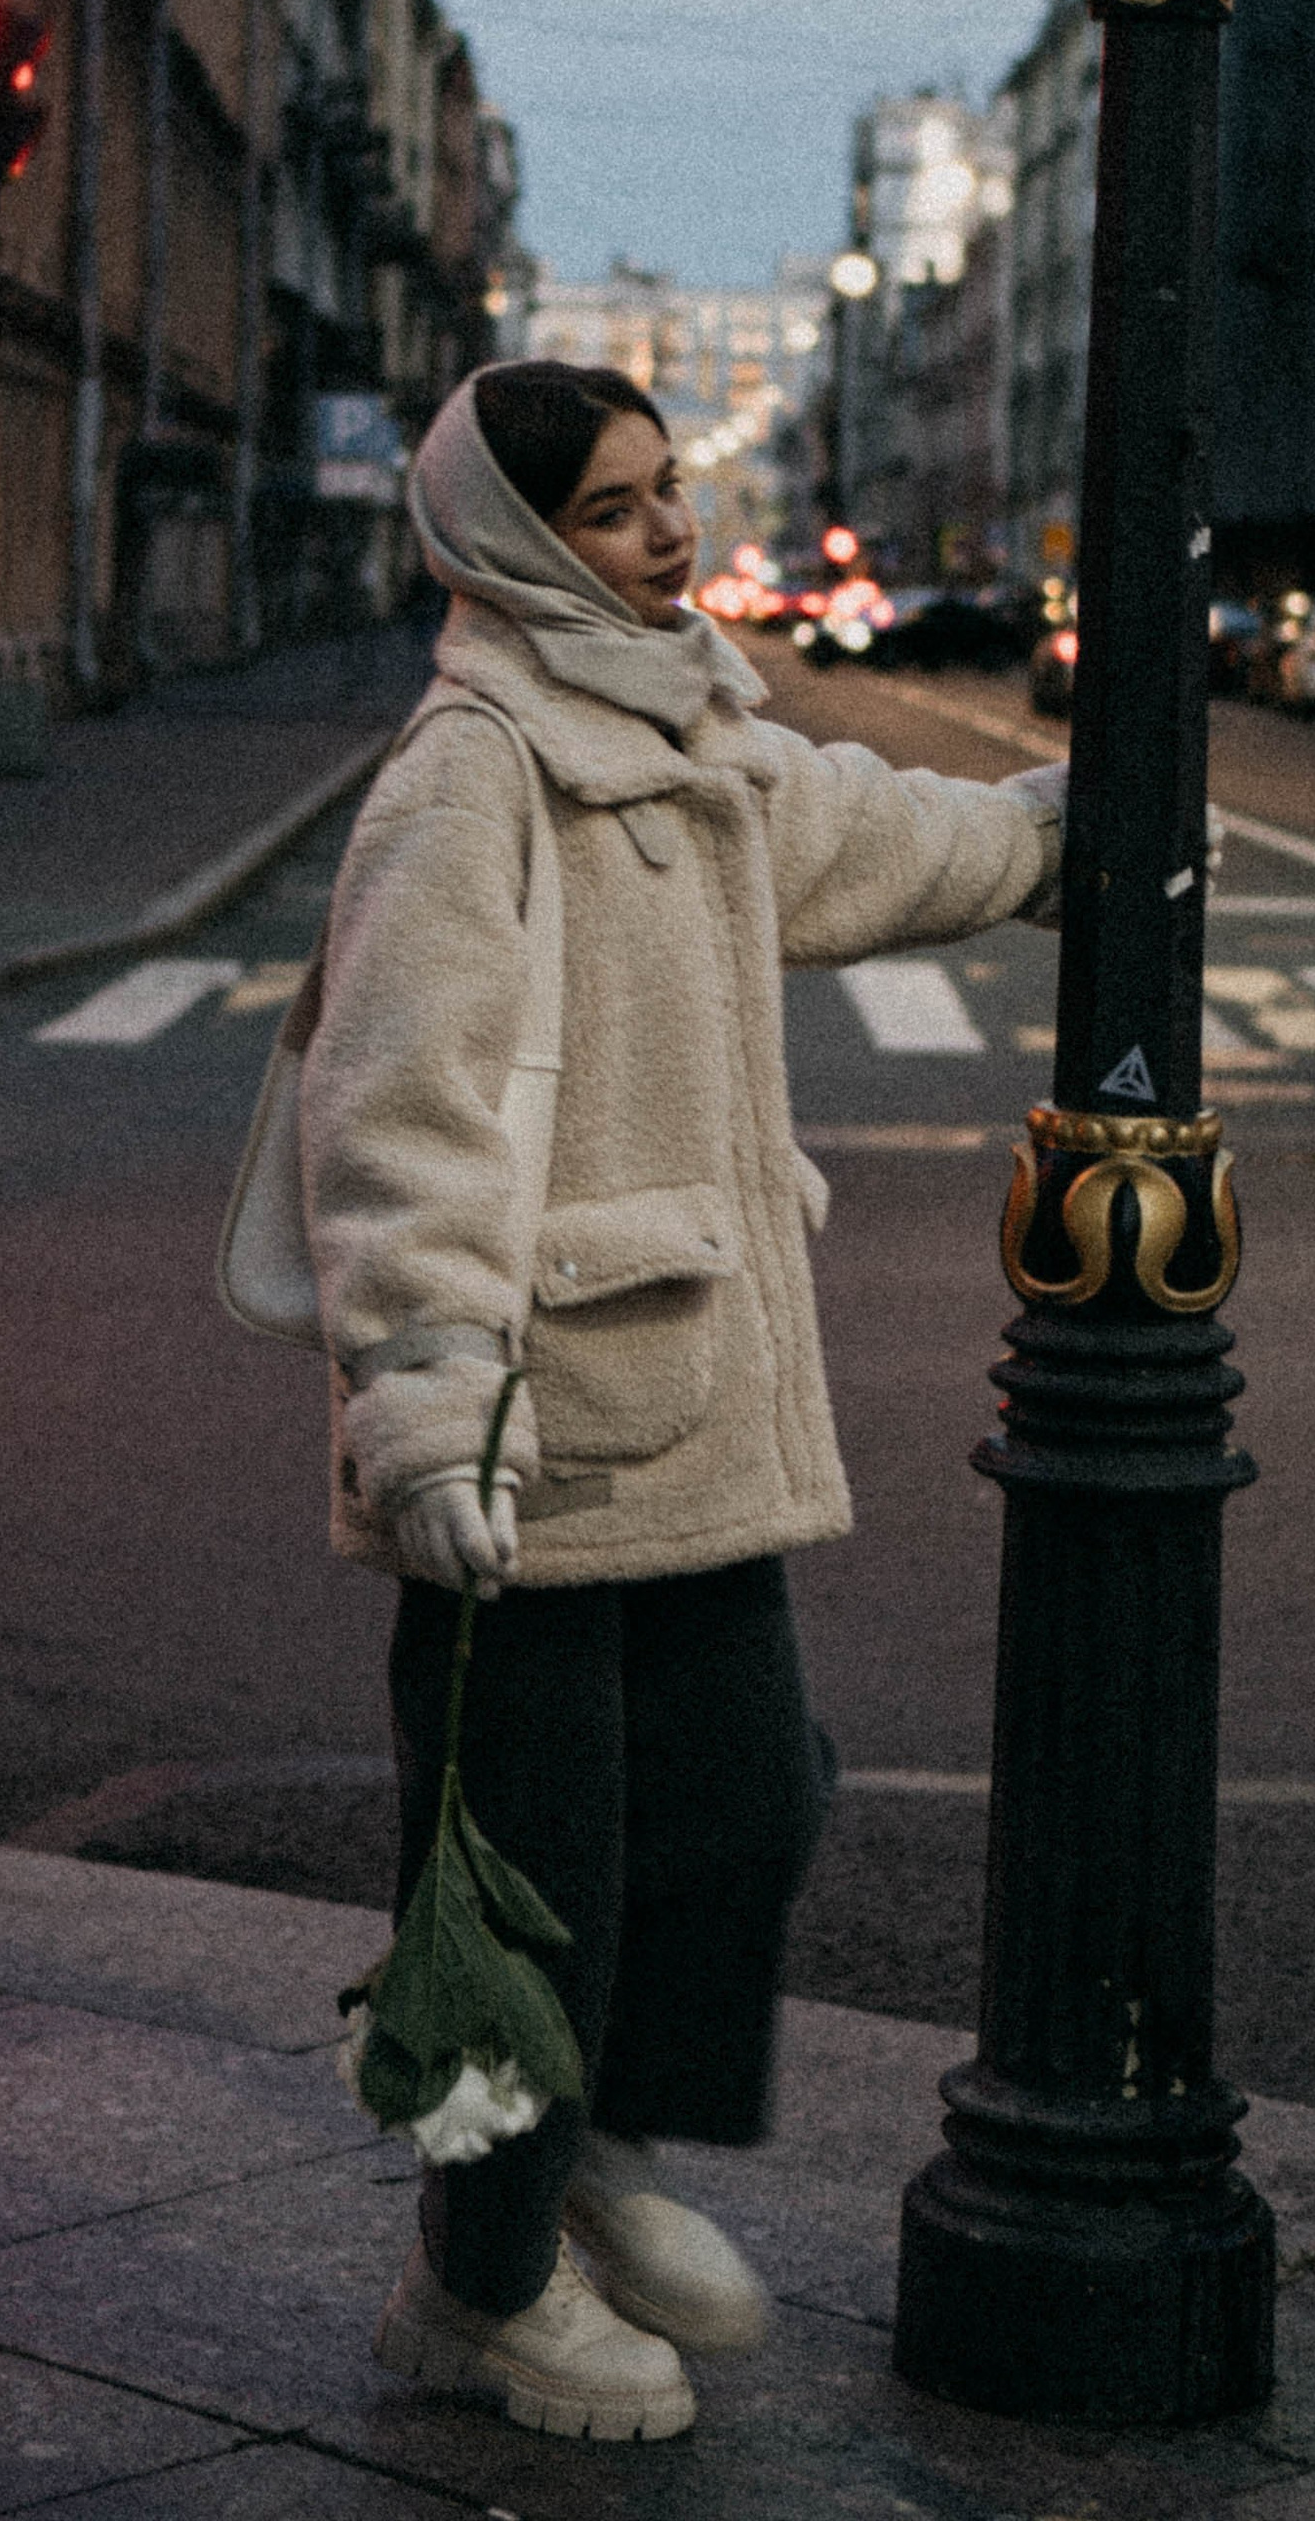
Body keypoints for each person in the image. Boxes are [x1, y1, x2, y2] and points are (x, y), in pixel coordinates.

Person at [301, 361, 1064, 2445]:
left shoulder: (674, 723)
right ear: (515, 542)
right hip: (524, 1429)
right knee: (520, 1889)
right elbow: (394, 1106)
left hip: (688, 1395)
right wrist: (425, 1387)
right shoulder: (474, 772)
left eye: (667, 491)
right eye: (616, 510)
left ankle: (594, 2158)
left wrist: (1034, 839)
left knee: (748, 1800)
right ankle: (476, 2285)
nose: (669, 535)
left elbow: (850, 833)